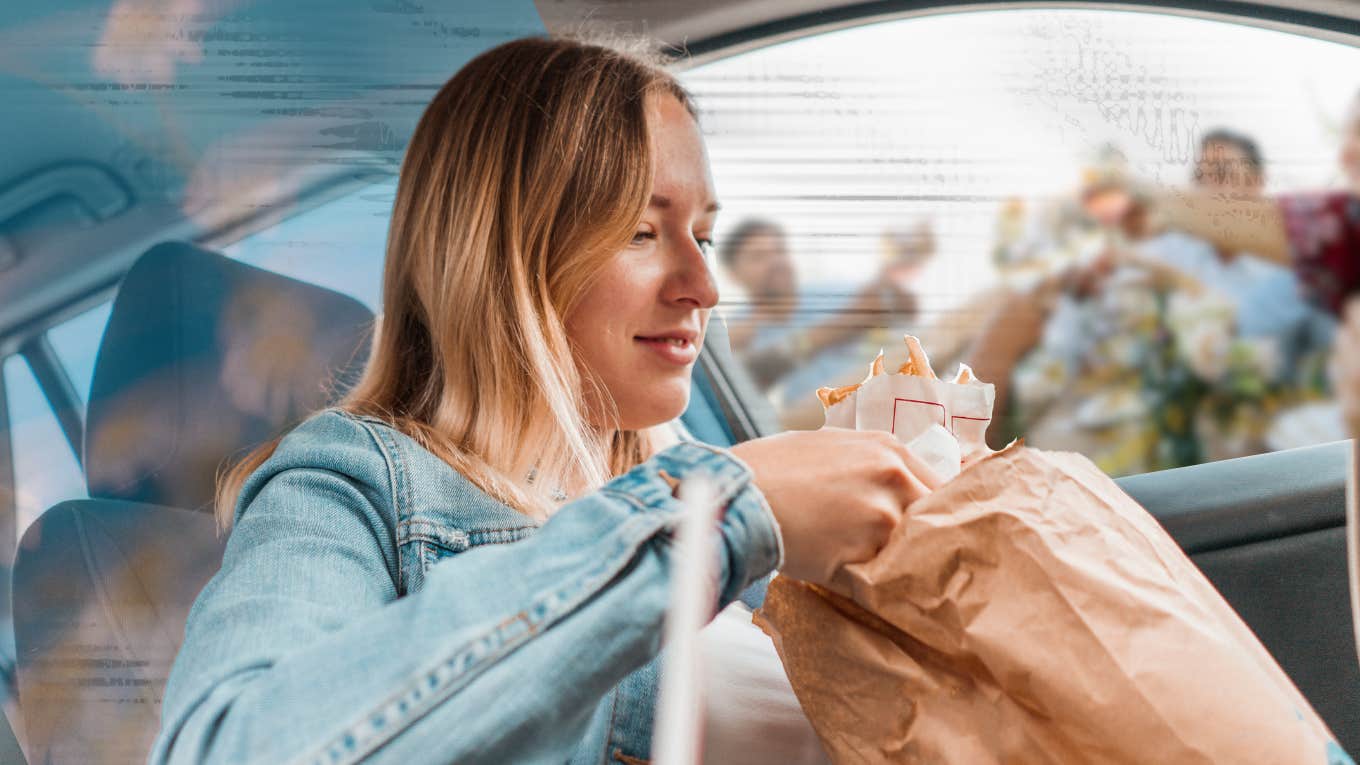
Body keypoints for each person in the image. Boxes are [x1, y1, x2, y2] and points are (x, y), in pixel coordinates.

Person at [150, 37, 937, 765]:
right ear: (506, 257)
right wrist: (712, 516)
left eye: (702, 234)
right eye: (640, 231)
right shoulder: (354, 483)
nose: (703, 286)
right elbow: (230, 748)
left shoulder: (677, 473)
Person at [720, 218, 924, 417]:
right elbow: (747, 377)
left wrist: (898, 277)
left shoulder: (830, 293)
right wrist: (849, 321)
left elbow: (902, 309)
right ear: (733, 274)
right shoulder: (734, 332)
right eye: (759, 257)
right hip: (816, 429)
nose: (776, 262)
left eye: (780, 251)